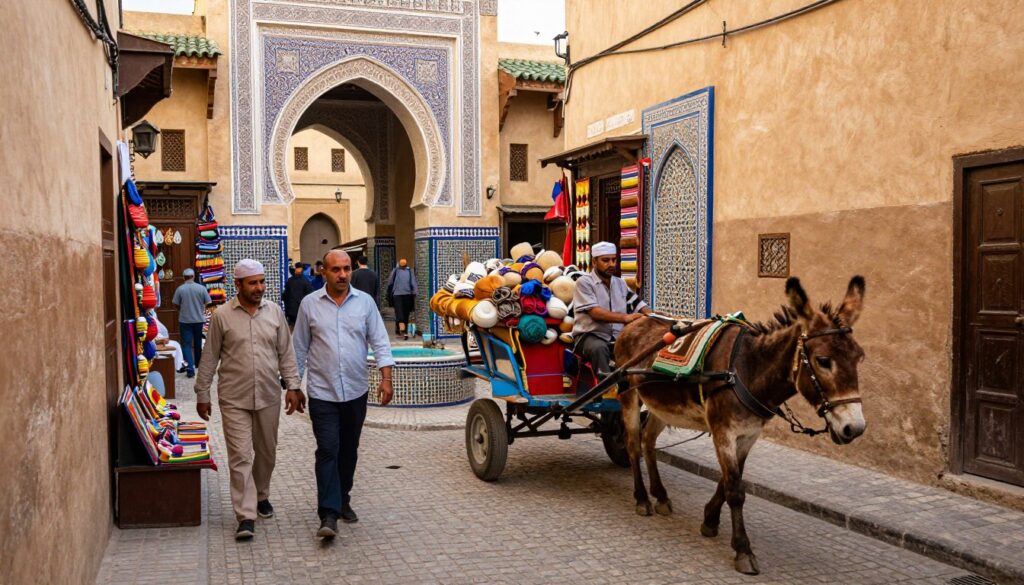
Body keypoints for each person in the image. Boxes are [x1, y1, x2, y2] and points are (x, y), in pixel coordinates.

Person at [194, 259, 305, 541]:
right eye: (253, 283)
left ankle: (262, 494)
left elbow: (286, 354)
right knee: (240, 456)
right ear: (238, 285)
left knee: (266, 452)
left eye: (262, 282)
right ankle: (245, 515)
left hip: (268, 394)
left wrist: (293, 386)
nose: (259, 288)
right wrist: (202, 393)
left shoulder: (275, 313)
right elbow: (209, 357)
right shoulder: (222, 316)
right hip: (233, 397)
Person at [293, 250, 395, 540]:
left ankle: (343, 497)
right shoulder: (309, 305)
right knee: (328, 449)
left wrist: (386, 378)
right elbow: (298, 347)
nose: (342, 275)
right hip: (322, 393)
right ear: (323, 271)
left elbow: (381, 342)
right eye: (336, 269)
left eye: (347, 269)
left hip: (355, 390)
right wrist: (293, 386)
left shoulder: (365, 304)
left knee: (349, 450)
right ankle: (328, 512)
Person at [572, 241, 651, 378]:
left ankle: (632, 387)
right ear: (594, 262)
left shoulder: (620, 283)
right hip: (589, 336)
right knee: (599, 348)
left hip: (617, 337)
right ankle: (606, 390)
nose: (611, 264)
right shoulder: (584, 282)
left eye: (614, 260)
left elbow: (638, 303)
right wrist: (625, 318)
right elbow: (595, 313)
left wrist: (654, 316)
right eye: (606, 260)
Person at [172, 268, 212, 378]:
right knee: (198, 342)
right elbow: (208, 302)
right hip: (199, 320)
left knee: (187, 344)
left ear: (184, 277)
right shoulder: (201, 288)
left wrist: (181, 310)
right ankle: (198, 364)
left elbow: (175, 304)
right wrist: (200, 308)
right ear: (193, 276)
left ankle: (190, 367)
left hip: (185, 320)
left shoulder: (180, 289)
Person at [386, 258, 418, 339]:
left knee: (400, 313)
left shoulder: (396, 271)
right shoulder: (409, 272)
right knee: (404, 313)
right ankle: (403, 331)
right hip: (406, 295)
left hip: (398, 295)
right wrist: (415, 293)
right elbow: (413, 283)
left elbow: (389, 282)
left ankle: (402, 331)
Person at [282, 262, 314, 328]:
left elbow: (285, 296)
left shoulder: (290, 281)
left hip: (292, 312)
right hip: (301, 311)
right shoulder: (306, 281)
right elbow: (310, 296)